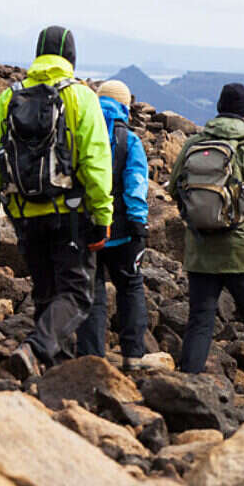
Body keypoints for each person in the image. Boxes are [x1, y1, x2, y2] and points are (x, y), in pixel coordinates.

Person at [0, 26, 114, 380]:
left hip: (24, 213)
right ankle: (36, 348)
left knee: (46, 294)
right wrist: (103, 215)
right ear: (71, 57)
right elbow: (96, 162)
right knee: (76, 295)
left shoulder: (9, 97)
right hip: (70, 214)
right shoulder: (81, 97)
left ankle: (51, 375)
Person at [169, 83, 244, 400]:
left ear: (218, 108)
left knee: (200, 318)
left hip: (200, 250)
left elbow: (175, 187)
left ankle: (188, 384)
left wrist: (198, 218)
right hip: (241, 253)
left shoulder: (194, 143)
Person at [75, 80, 149, 369]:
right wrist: (138, 222)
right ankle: (133, 355)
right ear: (125, 107)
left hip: (87, 228)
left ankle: (92, 358)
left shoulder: (81, 132)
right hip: (123, 233)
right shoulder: (129, 140)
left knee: (92, 292)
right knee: (130, 287)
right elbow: (135, 183)